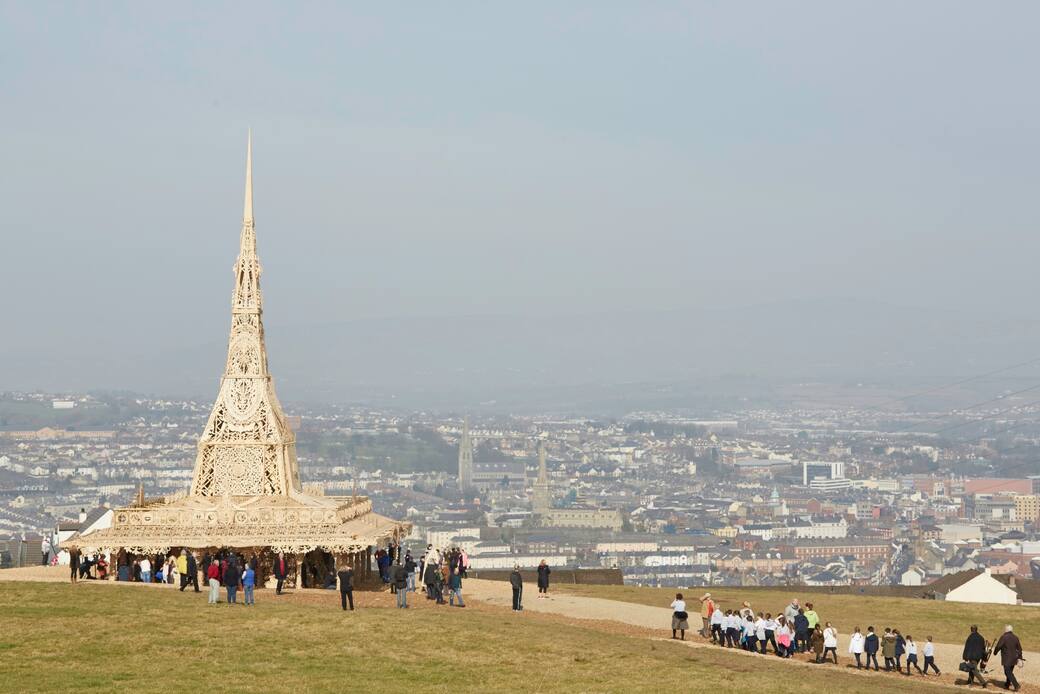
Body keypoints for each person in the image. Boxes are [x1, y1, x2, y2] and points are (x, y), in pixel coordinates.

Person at [992, 625, 1022, 691]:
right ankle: (1007, 685)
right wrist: (1020, 658)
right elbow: (1019, 648)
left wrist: (995, 652)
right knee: (1010, 671)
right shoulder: (1015, 637)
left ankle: (1016, 685)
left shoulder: (1004, 637)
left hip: (1007, 658)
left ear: (1006, 630)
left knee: (1007, 672)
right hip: (1014, 658)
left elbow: (998, 646)